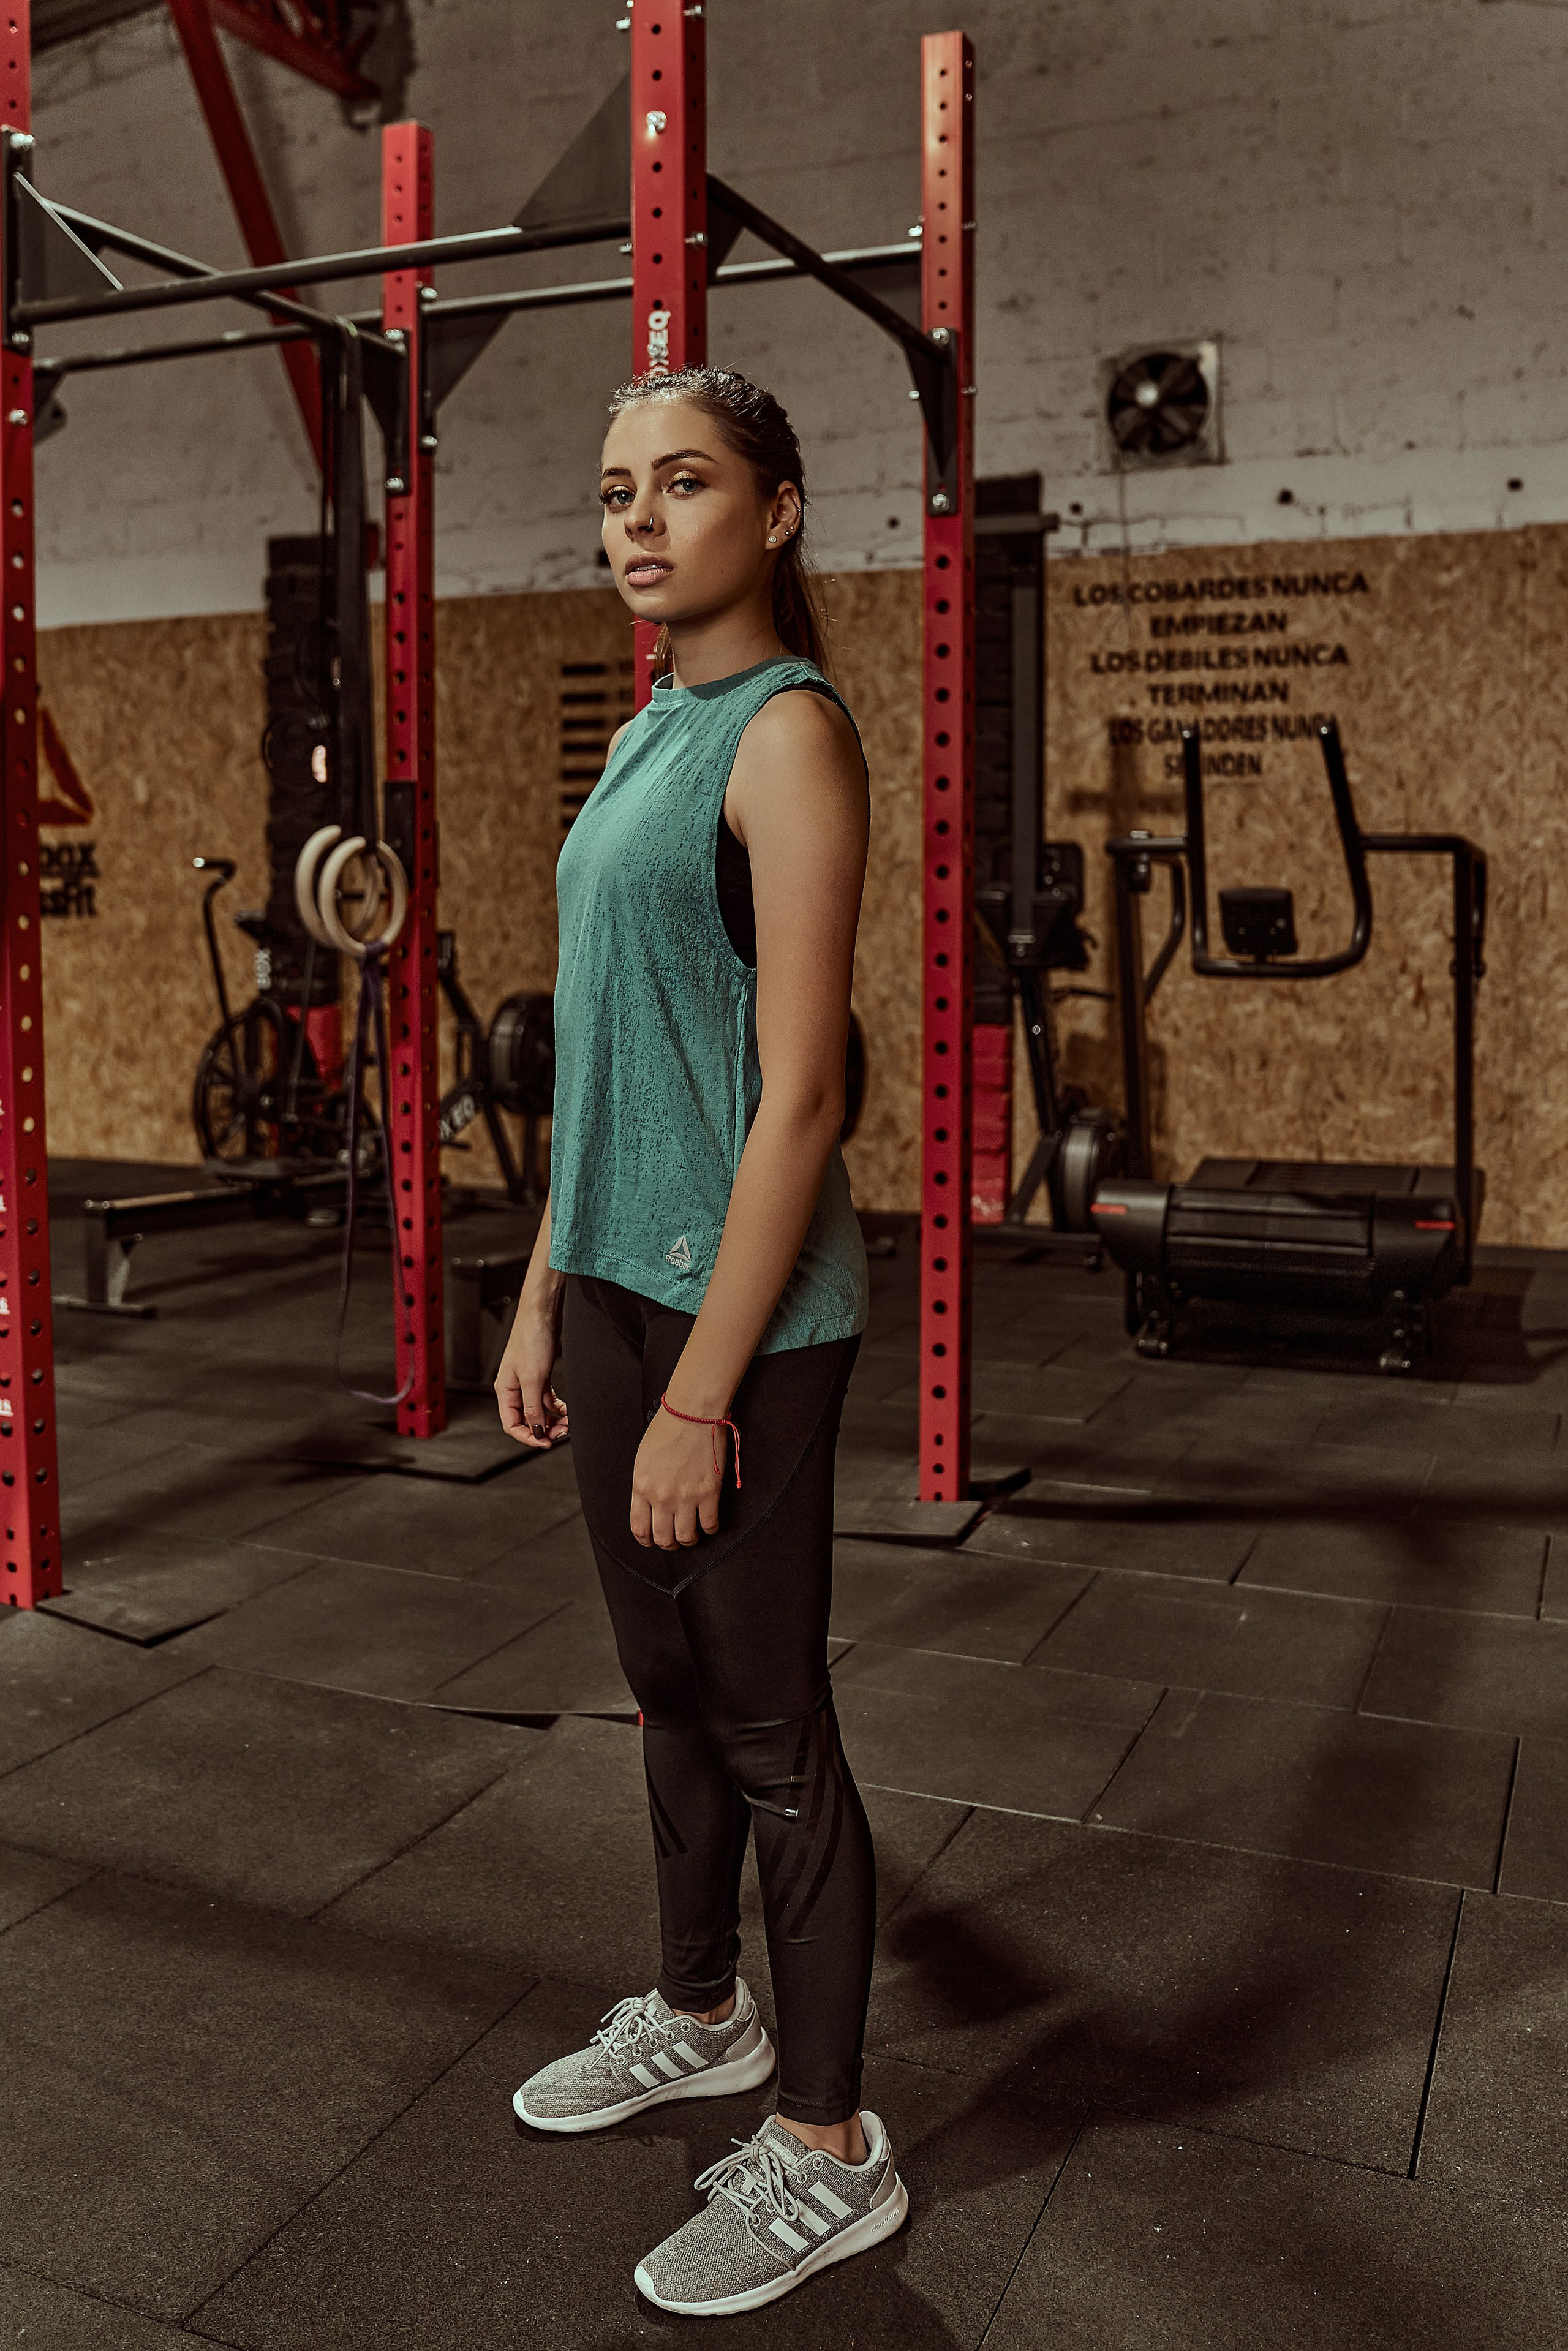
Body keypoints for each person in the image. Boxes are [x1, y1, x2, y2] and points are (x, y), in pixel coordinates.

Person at [494, 364, 905, 2318]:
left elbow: (806, 1098)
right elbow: (607, 1048)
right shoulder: (650, 726)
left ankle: (830, 2144)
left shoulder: (789, 735)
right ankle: (698, 2013)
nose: (636, 521)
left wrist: (705, 1393)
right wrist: (544, 1285)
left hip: (744, 1314)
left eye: (683, 483)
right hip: (617, 1293)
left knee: (766, 1730)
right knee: (661, 1694)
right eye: (612, 493)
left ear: (783, 510)